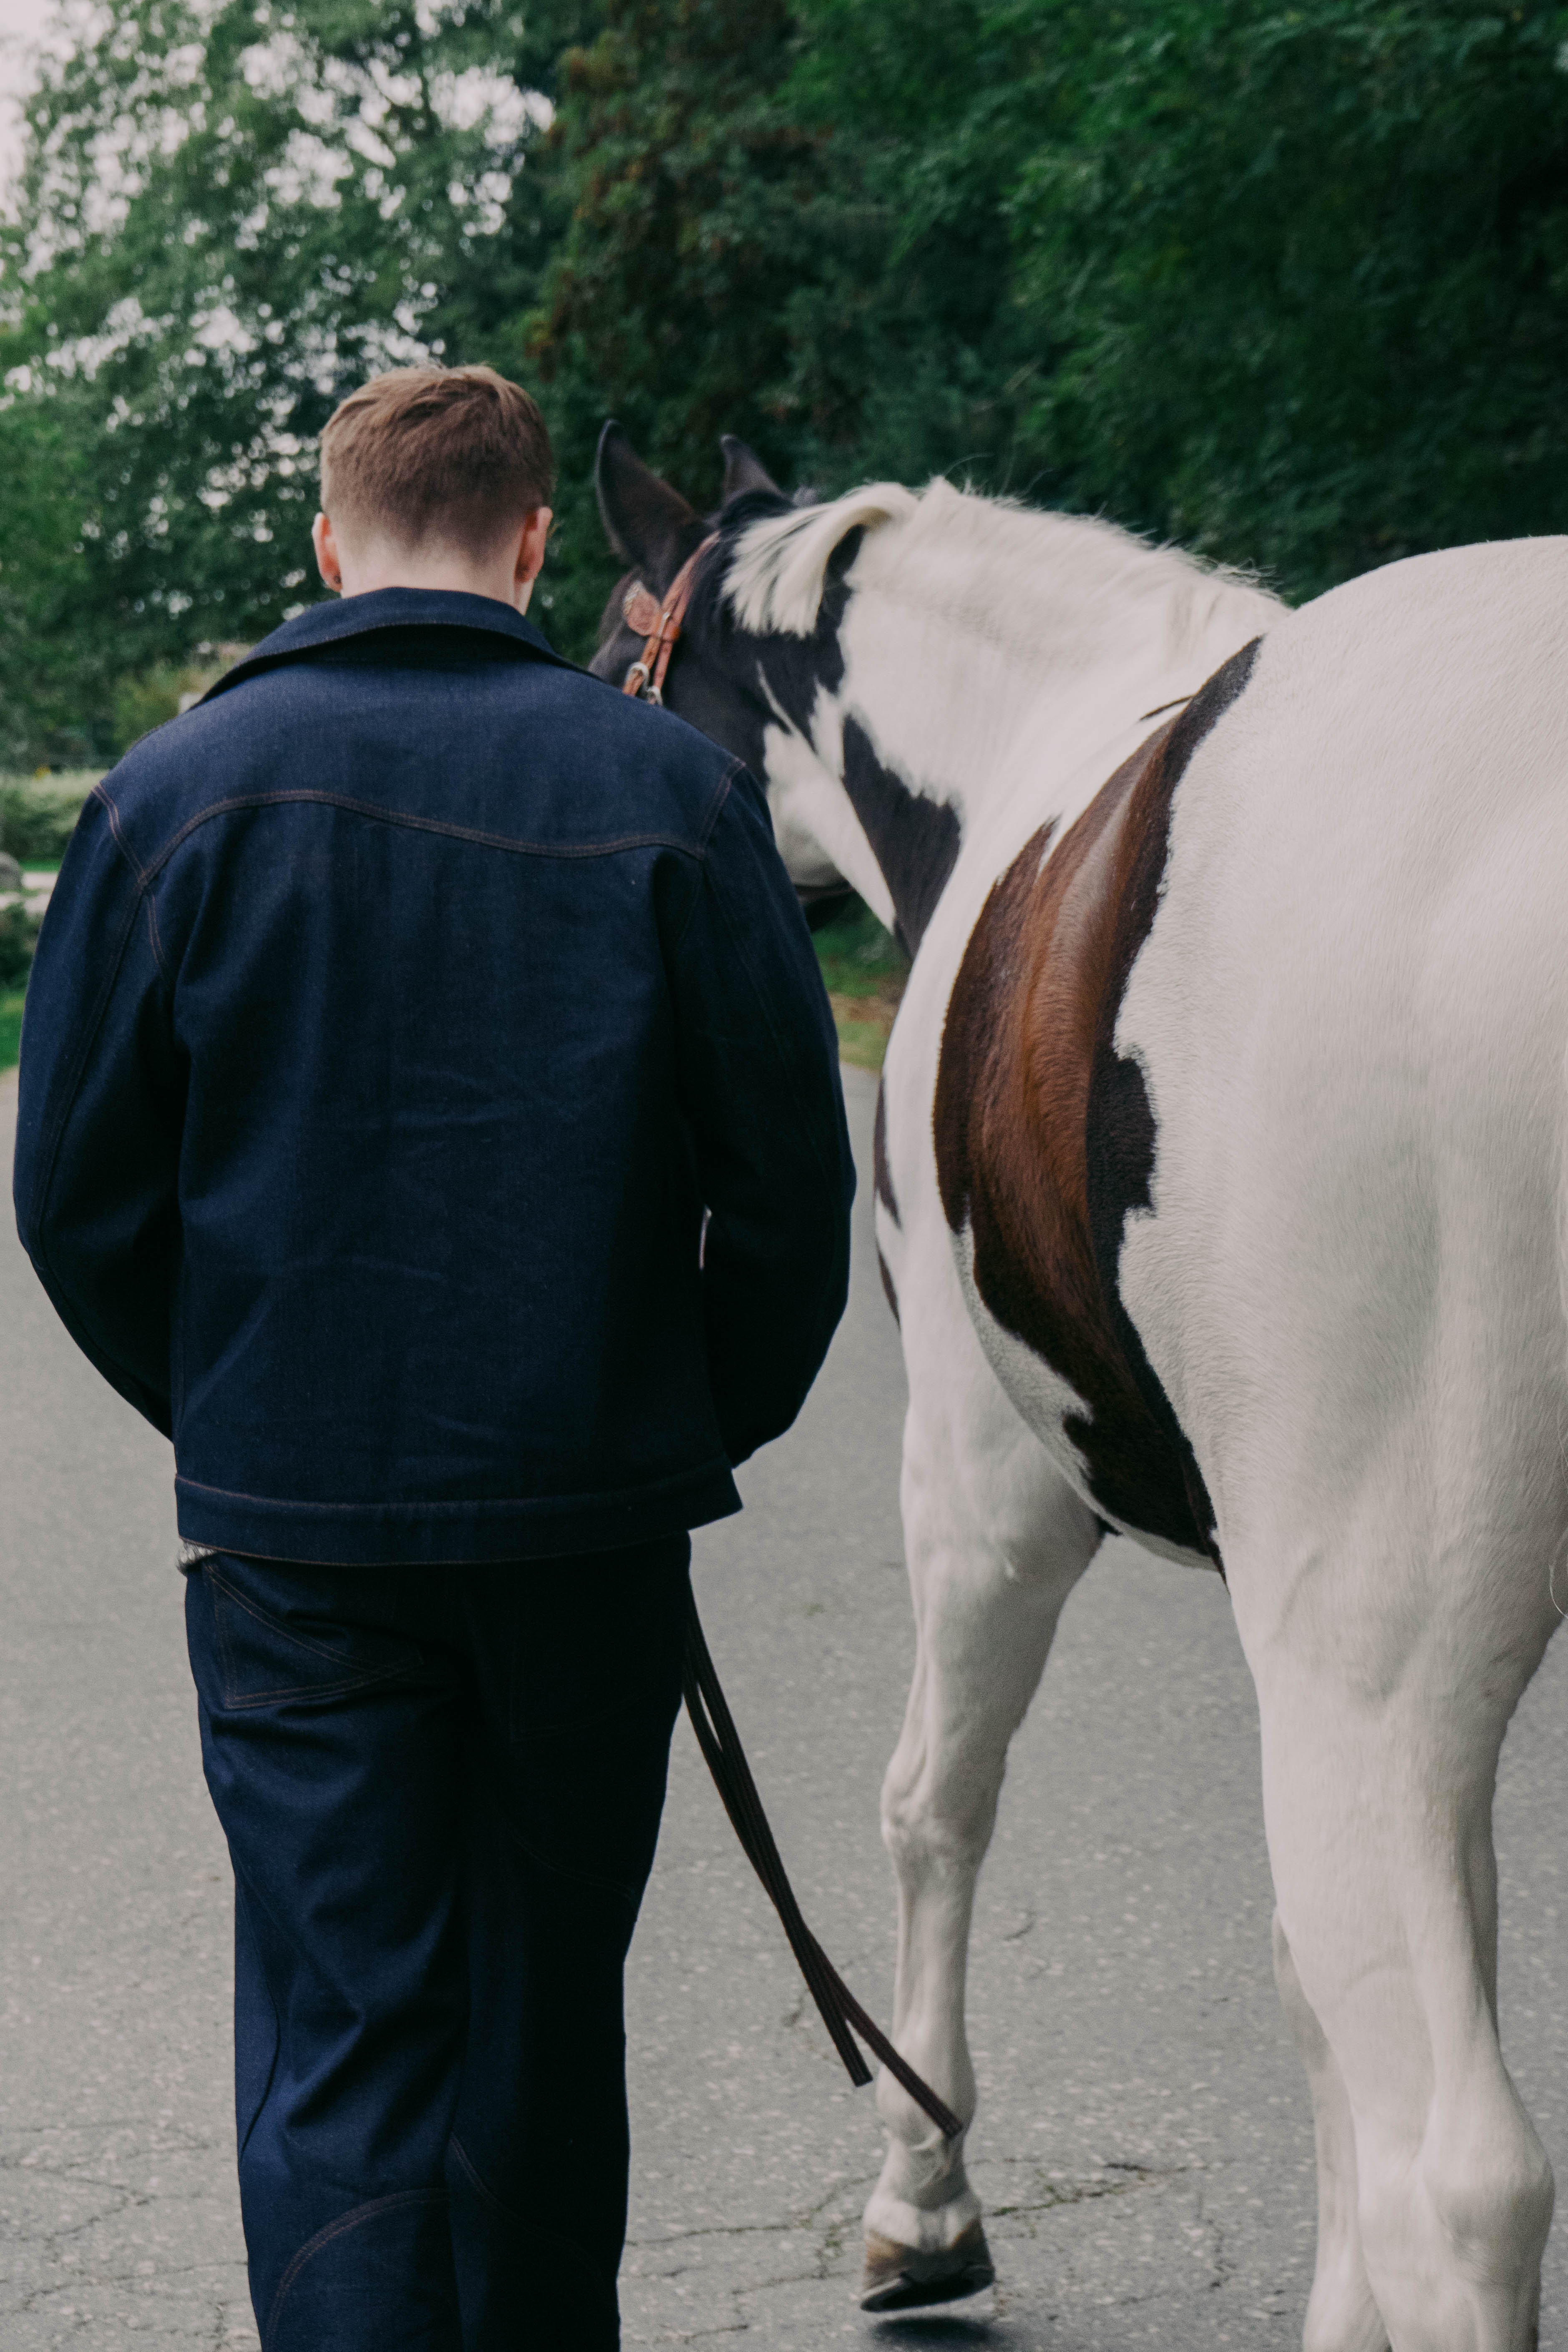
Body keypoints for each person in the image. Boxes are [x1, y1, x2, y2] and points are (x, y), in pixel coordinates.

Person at [13, 364, 854, 2350]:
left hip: (299, 1540)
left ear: (327, 540)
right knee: (547, 2010)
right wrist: (659, 1416)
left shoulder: (164, 801)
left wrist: (238, 1408)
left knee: (345, 2037)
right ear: (537, 540)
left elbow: (77, 1203)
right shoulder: (668, 794)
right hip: (588, 1525)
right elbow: (795, 1201)